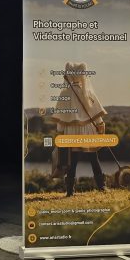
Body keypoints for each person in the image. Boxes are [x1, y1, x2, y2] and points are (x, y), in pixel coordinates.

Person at [52, 63, 106, 197]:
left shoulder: (64, 93)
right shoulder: (88, 92)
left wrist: (60, 131)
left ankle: (70, 191)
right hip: (88, 130)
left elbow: (61, 119)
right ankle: (102, 187)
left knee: (72, 161)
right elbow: (96, 115)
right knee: (94, 158)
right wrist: (100, 126)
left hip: (71, 131)